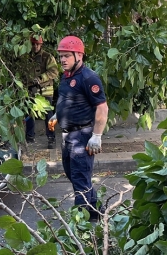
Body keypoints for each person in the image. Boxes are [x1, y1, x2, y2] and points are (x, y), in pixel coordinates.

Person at [49, 35, 108, 222]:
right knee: (75, 176)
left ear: (78, 56)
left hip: (82, 136)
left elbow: (102, 107)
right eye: (61, 57)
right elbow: (68, 100)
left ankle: (81, 225)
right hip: (68, 137)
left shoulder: (89, 78)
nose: (63, 60)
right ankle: (96, 211)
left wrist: (97, 136)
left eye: (67, 56)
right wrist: (57, 115)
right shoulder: (66, 76)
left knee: (80, 180)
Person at [24, 35, 59, 148]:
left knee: (48, 116)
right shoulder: (26, 57)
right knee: (29, 114)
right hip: (31, 90)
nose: (35, 46)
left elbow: (54, 72)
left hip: (45, 91)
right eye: (33, 44)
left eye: (37, 44)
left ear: (41, 44)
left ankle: (51, 138)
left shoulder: (47, 57)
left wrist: (40, 78)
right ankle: (29, 137)